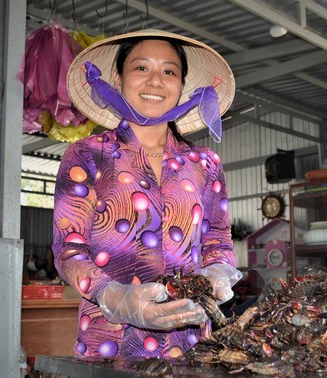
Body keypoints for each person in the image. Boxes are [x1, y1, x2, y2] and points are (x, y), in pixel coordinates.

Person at [55, 29, 241, 358]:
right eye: (142, 68)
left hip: (191, 344)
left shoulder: (205, 164)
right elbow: (69, 251)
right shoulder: (87, 156)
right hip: (109, 344)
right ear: (117, 77)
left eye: (169, 71)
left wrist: (216, 274)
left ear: (182, 86)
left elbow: (219, 243)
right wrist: (115, 297)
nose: (156, 81)